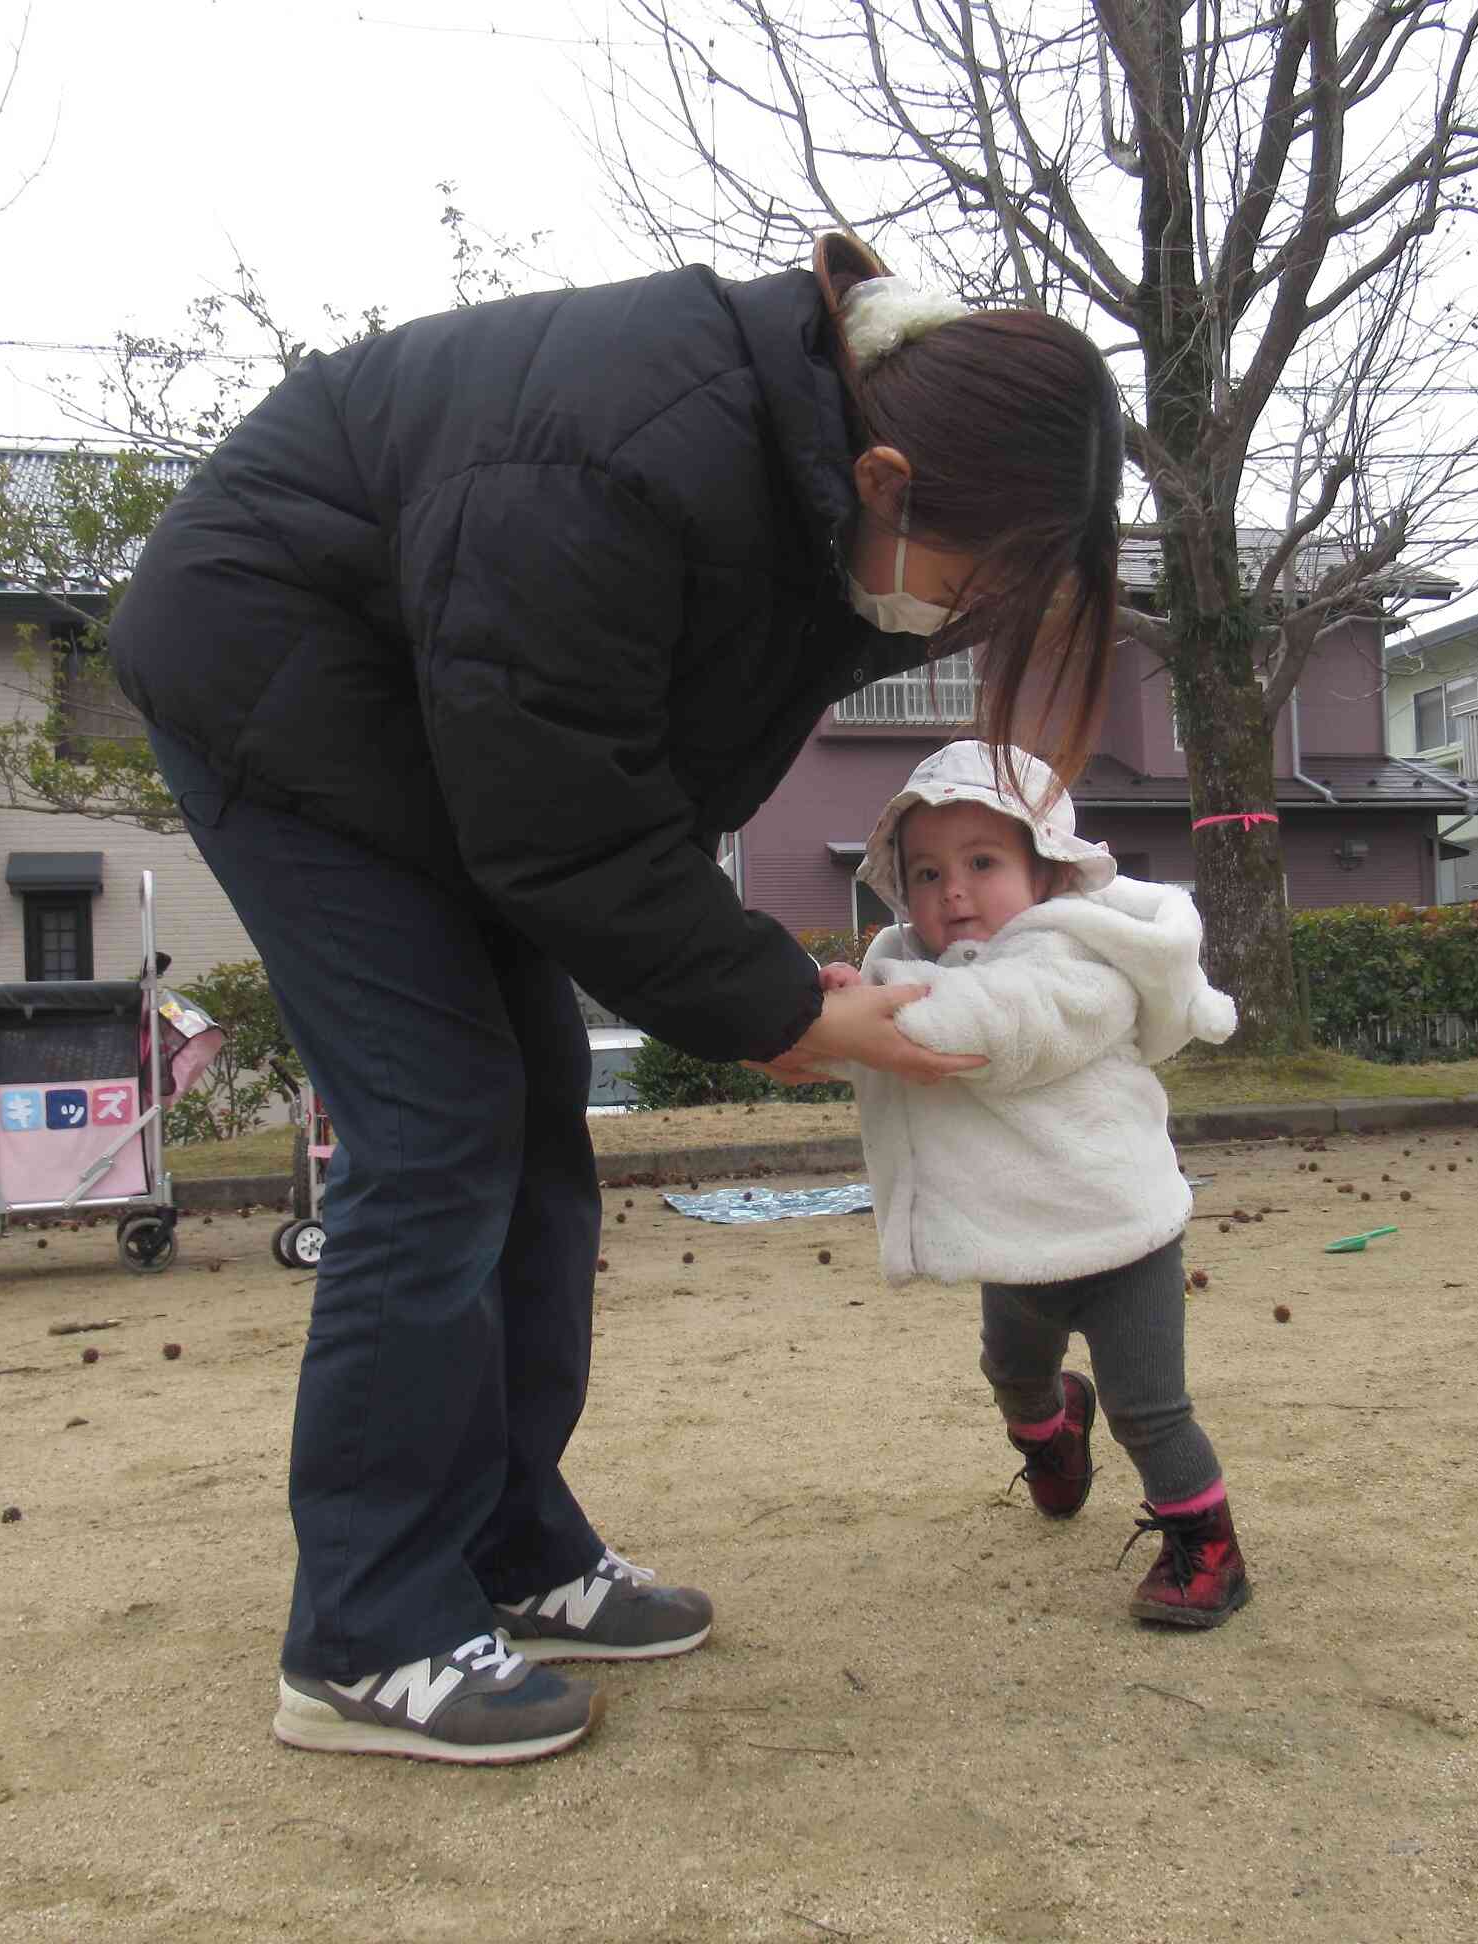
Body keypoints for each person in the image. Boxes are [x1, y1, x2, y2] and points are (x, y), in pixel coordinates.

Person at [109, 236, 1125, 1764]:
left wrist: (765, 985)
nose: (970, 619)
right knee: (441, 1126)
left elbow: (622, 790)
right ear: (896, 475)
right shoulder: (622, 461)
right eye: (981, 583)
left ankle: (509, 1544)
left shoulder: (811, 484)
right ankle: (363, 1634)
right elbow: (562, 814)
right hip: (279, 676)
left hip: (436, 710)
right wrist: (775, 1006)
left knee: (533, 1116)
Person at [826, 740, 1253, 1627]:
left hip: (1120, 1236)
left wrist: (857, 1019)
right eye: (930, 871)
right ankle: (1054, 1431)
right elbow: (884, 1059)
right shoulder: (911, 968)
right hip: (1014, 1243)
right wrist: (837, 1014)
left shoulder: (1080, 966)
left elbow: (993, 1031)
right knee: (1011, 1375)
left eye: (983, 863)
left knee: (1149, 1409)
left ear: (1048, 873)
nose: (954, 891)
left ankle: (1207, 1547)